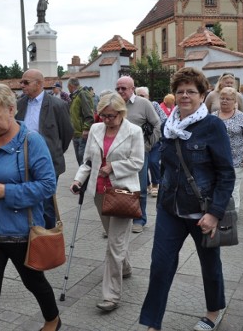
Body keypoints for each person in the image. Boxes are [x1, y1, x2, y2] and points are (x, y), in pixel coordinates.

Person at [139, 67, 234, 331]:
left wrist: (215, 212)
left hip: (203, 211)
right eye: (180, 91)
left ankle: (213, 312)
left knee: (210, 264)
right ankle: (152, 323)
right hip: (171, 209)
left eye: (191, 91)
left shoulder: (212, 126)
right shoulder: (168, 126)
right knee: (160, 265)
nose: (184, 96)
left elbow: (226, 173)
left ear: (202, 95)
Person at [0, 83, 61, 331]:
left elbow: (47, 185)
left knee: (34, 283)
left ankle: (53, 319)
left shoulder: (31, 141)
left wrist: (7, 192)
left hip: (22, 234)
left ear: (11, 109)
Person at [72, 92, 144, 312]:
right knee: (117, 241)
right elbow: (88, 161)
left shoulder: (134, 131)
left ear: (121, 113)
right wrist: (78, 180)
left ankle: (111, 295)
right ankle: (126, 267)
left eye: (110, 116)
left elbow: (138, 162)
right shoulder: (96, 129)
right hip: (99, 192)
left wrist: (113, 166)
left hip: (122, 192)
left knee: (114, 245)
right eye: (102, 116)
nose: (106, 120)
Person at [16, 69, 73, 229]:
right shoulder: (19, 104)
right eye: (22, 82)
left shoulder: (57, 105)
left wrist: (53, 152)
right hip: (22, 161)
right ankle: (29, 236)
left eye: (26, 82)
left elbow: (67, 133)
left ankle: (47, 240)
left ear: (39, 84)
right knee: (26, 200)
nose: (22, 85)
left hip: (47, 163)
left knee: (47, 204)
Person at [115, 76, 161, 233]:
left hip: (139, 153)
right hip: (118, 153)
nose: (120, 91)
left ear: (132, 89)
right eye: (118, 88)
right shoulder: (114, 103)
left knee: (140, 187)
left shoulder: (144, 104)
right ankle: (120, 219)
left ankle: (139, 219)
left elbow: (157, 124)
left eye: (124, 88)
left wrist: (148, 145)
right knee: (119, 186)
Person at [212, 87, 243, 213]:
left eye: (228, 99)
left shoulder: (242, 118)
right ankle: (217, 210)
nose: (224, 101)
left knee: (233, 188)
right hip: (216, 159)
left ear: (234, 101)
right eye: (222, 98)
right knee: (217, 186)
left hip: (236, 159)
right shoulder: (213, 116)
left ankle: (232, 213)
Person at [135, 87, 167, 197]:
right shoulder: (133, 107)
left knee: (153, 162)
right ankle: (147, 185)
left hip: (154, 140)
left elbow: (163, 119)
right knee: (143, 165)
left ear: (148, 97)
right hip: (140, 142)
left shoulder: (154, 105)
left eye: (143, 96)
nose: (140, 98)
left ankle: (155, 184)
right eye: (138, 95)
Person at [67, 77, 94, 166]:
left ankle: (86, 180)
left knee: (84, 162)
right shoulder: (75, 96)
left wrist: (86, 129)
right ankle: (82, 179)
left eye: (68, 86)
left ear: (71, 86)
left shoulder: (83, 94)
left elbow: (89, 114)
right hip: (76, 134)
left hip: (82, 134)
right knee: (80, 160)